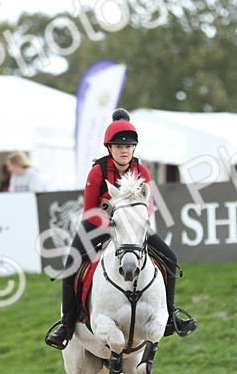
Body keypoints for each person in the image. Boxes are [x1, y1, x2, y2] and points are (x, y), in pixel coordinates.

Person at [44, 108, 197, 350]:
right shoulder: (98, 171)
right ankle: (66, 325)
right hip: (98, 226)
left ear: (134, 148)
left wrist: (129, 224)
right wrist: (114, 226)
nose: (124, 150)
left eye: (129, 146)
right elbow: (89, 211)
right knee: (71, 264)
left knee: (170, 257)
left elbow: (149, 208)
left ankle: (171, 315)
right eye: (118, 146)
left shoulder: (142, 171)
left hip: (133, 228)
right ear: (109, 149)